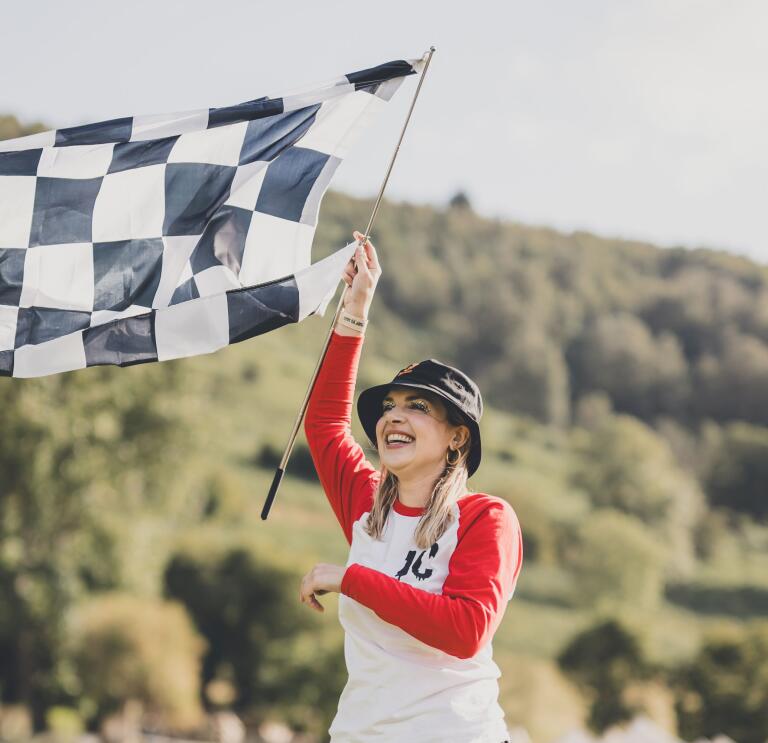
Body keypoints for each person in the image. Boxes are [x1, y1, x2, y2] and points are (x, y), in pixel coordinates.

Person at [300, 231, 524, 742]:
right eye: (389, 406)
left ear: (457, 437)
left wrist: (350, 578)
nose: (394, 417)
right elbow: (325, 426)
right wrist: (355, 310)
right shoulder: (366, 507)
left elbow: (464, 631)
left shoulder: (486, 518)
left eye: (418, 407)